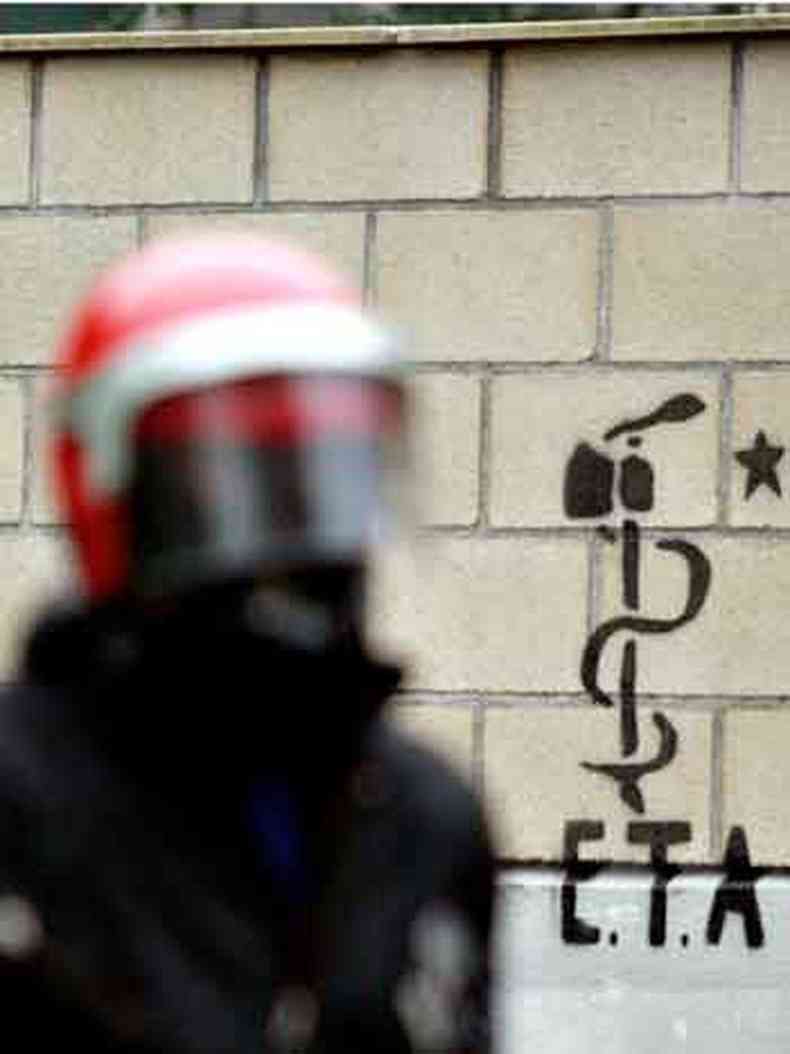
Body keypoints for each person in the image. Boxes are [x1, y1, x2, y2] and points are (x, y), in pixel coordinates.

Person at [0, 235, 495, 1052]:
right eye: (227, 498)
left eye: (321, 486)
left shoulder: (421, 821)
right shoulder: (21, 806)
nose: (292, 554)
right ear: (114, 500)